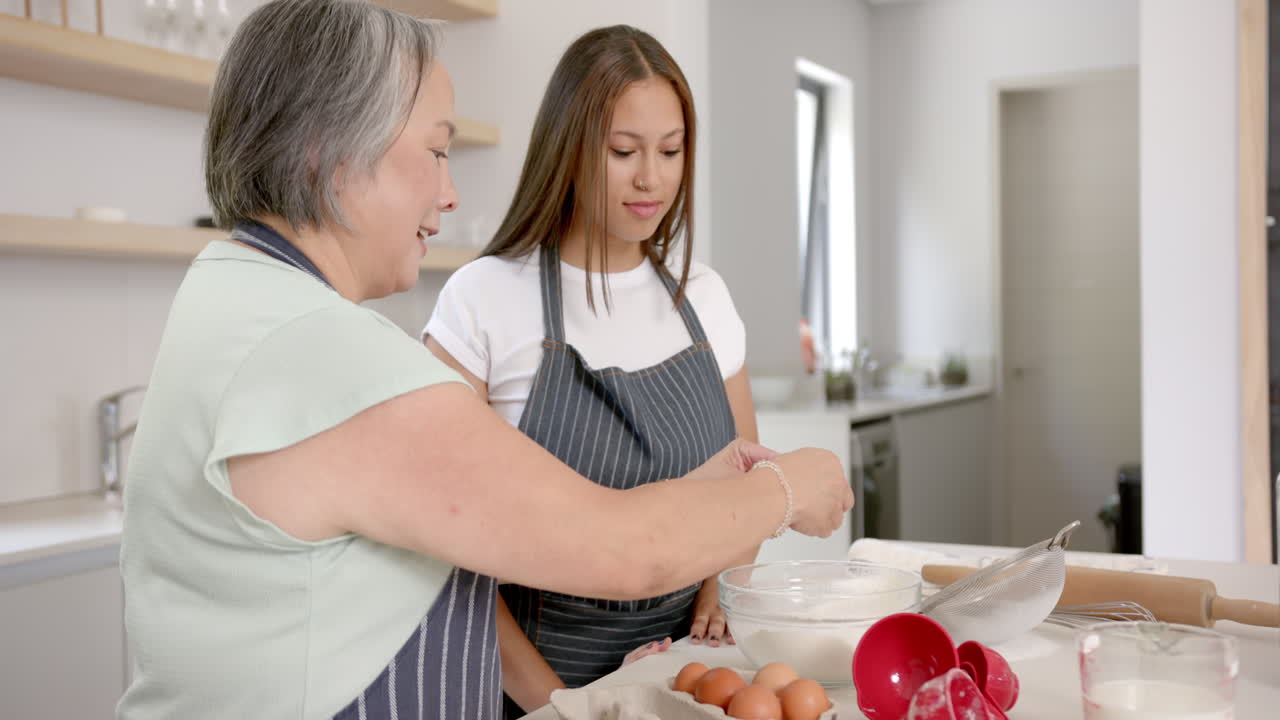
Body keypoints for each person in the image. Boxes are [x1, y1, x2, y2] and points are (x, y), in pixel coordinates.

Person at [115, 2, 852, 719]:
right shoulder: (326, 354)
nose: (450, 190)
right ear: (330, 154)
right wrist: (788, 487)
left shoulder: (236, 295)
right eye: (437, 150)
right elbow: (625, 549)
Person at [423, 25, 766, 717]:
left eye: (671, 151)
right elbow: (445, 552)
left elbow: (746, 487)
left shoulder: (704, 296)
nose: (653, 177)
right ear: (570, 148)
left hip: (686, 684)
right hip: (529, 691)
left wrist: (714, 600)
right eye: (623, 152)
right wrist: (564, 705)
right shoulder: (484, 298)